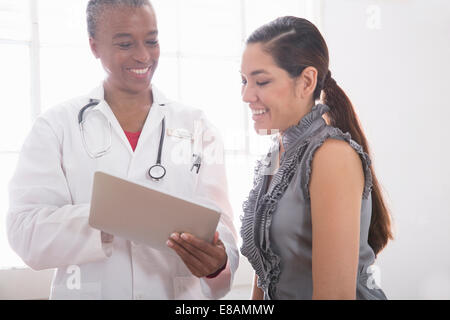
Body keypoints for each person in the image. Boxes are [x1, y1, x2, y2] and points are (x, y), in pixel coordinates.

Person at [6, 0, 238, 300]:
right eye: (125, 43)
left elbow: (223, 231)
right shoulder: (55, 127)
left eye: (152, 41)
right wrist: (109, 218)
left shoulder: (197, 126)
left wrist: (218, 263)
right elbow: (25, 232)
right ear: (94, 46)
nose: (143, 55)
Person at [239, 16, 393, 300]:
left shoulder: (331, 157)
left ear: (307, 81)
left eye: (260, 81)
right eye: (244, 81)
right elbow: (265, 273)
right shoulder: (274, 155)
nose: (246, 95)